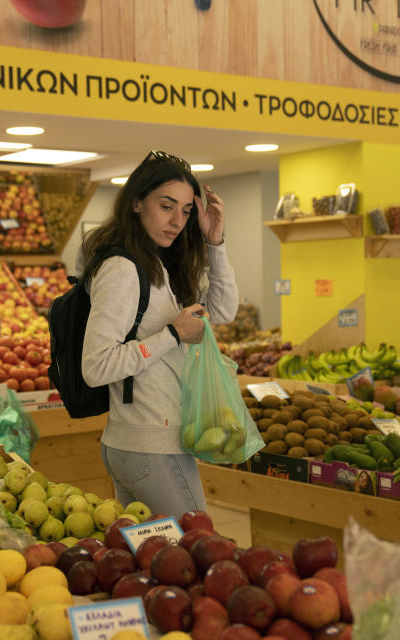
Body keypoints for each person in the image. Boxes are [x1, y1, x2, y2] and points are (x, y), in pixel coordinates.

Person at [79, 150, 238, 518]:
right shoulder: (122, 269)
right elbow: (96, 366)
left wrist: (216, 243)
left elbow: (225, 311)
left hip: (147, 443)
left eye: (185, 211)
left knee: (152, 563)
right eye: (166, 206)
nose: (177, 220)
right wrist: (172, 334)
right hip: (149, 445)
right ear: (136, 202)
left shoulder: (155, 265)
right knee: (196, 553)